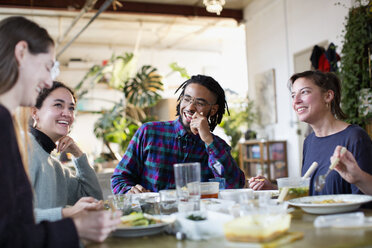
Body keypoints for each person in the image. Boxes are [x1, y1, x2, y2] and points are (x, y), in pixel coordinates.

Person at [0, 16, 120, 247]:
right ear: (21, 53)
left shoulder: (16, 130)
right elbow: (9, 231)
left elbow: (16, 223)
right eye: (48, 67)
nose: (47, 82)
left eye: (71, 108)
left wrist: (78, 155)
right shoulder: (11, 132)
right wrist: (71, 223)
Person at [111, 74, 245, 194]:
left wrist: (209, 140)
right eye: (187, 99)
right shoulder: (149, 132)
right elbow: (119, 178)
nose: (190, 107)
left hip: (196, 219)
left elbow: (234, 185)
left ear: (213, 110)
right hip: (153, 217)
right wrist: (129, 191)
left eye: (200, 103)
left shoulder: (218, 147)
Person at [249, 70, 372, 196]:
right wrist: (274, 189)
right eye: (293, 95)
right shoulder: (309, 141)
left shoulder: (355, 138)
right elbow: (312, 195)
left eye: (304, 92)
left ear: (328, 96)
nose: (296, 101)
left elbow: (366, 199)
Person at [29, 81, 103, 223]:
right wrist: (66, 213)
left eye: (71, 108)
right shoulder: (21, 148)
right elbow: (10, 217)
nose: (67, 113)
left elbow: (94, 200)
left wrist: (78, 154)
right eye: (58, 105)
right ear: (35, 112)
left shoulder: (56, 167)